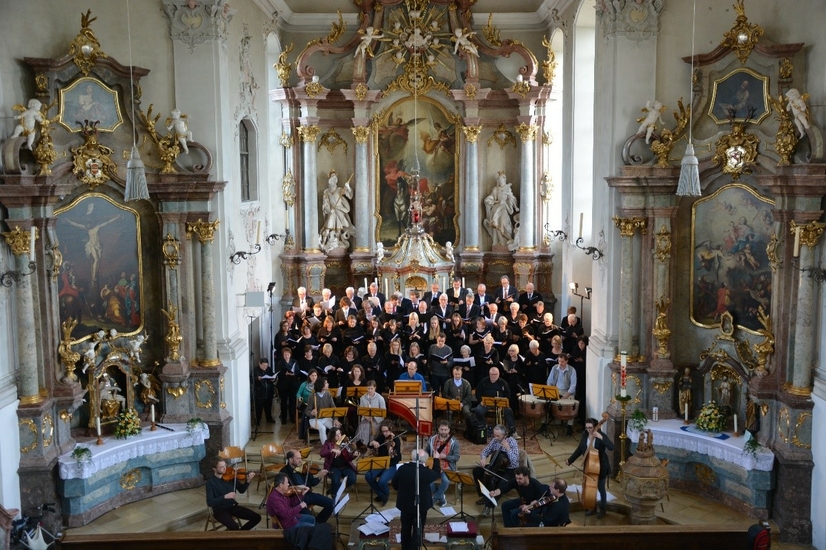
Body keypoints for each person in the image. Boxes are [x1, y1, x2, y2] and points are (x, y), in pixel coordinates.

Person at [392, 449, 441, 550]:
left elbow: (394, 484)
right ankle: (415, 547)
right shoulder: (425, 472)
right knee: (418, 527)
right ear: (425, 460)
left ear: (412, 457)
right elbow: (437, 473)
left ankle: (405, 547)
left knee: (405, 527)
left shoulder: (402, 469)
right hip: (421, 505)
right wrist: (436, 459)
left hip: (405, 504)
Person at [566, 417, 614, 518]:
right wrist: (570, 460)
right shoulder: (585, 436)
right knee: (590, 489)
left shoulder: (601, 435)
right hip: (589, 466)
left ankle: (603, 510)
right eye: (587, 428)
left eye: (591, 427)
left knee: (601, 489)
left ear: (596, 426)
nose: (589, 430)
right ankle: (592, 508)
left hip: (600, 467)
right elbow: (579, 450)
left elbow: (611, 447)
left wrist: (601, 437)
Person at [473, 425, 519, 515]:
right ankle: (484, 495)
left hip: (509, 470)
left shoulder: (512, 442)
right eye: (494, 435)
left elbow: (514, 461)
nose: (495, 437)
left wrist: (508, 449)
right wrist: (483, 458)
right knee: (477, 471)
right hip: (495, 467)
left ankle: (488, 506)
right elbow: (485, 451)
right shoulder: (494, 440)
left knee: (501, 484)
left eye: (498, 436)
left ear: (504, 434)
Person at [206, 458, 260, 530]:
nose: (225, 468)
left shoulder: (231, 477)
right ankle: (237, 535)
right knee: (234, 527)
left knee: (257, 517)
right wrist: (225, 496)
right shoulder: (210, 483)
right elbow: (210, 502)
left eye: (225, 465)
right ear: (214, 469)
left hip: (232, 506)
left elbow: (241, 490)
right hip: (220, 510)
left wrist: (248, 481)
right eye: (221, 467)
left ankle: (239, 534)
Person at [281, 449, 333, 523]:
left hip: (309, 495)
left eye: (301, 458)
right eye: (298, 458)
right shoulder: (284, 473)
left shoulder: (303, 468)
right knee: (310, 518)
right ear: (291, 460)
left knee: (331, 504)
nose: (300, 461)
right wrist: (297, 488)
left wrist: (320, 476)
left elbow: (312, 483)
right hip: (297, 500)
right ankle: (315, 526)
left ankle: (318, 523)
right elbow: (284, 491)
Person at [365, 420, 403, 506]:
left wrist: (391, 451)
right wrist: (372, 442)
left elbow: (397, 458)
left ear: (391, 429)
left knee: (381, 482)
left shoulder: (396, 439)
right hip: (381, 463)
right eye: (383, 431)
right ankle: (382, 495)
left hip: (392, 465)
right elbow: (369, 445)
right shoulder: (381, 437)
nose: (385, 433)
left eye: (386, 431)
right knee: (368, 476)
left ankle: (385, 494)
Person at [426, 421, 459, 507]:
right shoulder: (432, 439)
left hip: (446, 467)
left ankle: (435, 498)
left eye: (445, 429)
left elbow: (456, 457)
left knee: (446, 481)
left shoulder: (454, 442)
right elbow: (426, 451)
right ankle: (441, 497)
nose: (443, 431)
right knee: (428, 481)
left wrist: (444, 457)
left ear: (449, 430)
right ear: (438, 429)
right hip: (434, 466)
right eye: (442, 429)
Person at [320, 426, 359, 499]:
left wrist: (353, 455)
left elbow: (348, 458)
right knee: (335, 480)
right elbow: (322, 453)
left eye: (340, 434)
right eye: (337, 435)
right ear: (332, 436)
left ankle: (334, 489)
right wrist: (332, 450)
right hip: (333, 467)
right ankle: (334, 498)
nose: (339, 436)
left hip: (345, 466)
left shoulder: (344, 443)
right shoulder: (328, 443)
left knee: (352, 479)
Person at [474, 366, 515, 432]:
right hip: (485, 403)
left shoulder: (503, 382)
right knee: (478, 410)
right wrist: (480, 401)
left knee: (509, 411)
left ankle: (512, 430)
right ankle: (483, 427)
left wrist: (503, 403)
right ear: (489, 374)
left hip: (500, 404)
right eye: (492, 374)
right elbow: (478, 392)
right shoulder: (483, 381)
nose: (493, 376)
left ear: (499, 374)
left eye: (495, 374)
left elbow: (508, 394)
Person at [320, 171, 353, 251]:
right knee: (328, 227)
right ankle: (323, 244)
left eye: (335, 180)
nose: (334, 181)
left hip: (339, 211)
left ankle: (338, 242)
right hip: (332, 211)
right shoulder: (326, 192)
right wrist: (328, 210)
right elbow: (325, 204)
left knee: (338, 229)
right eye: (332, 180)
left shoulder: (339, 190)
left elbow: (350, 196)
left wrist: (348, 187)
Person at [484, 174, 519, 248]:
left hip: (504, 208)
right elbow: (491, 197)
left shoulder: (507, 189)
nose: (500, 181)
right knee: (497, 225)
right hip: (496, 208)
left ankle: (507, 242)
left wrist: (513, 204)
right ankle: (499, 243)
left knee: (506, 224)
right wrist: (493, 201)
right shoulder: (495, 189)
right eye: (498, 179)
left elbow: (512, 198)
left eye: (501, 179)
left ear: (504, 179)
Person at [547, 353, 577, 435]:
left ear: (567, 361)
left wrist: (566, 396)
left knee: (572, 404)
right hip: (556, 390)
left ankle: (569, 426)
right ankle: (544, 424)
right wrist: (551, 391)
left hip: (567, 391)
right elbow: (549, 381)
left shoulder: (572, 370)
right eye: (559, 361)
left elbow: (573, 385)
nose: (560, 363)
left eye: (562, 361)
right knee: (544, 401)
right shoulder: (554, 368)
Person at [305, 377, 338, 444]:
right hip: (314, 419)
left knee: (336, 428)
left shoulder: (328, 394)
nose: (328, 384)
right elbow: (307, 411)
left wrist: (335, 419)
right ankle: (326, 446)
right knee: (322, 428)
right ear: (321, 385)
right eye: (326, 383)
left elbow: (333, 408)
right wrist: (312, 412)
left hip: (326, 418)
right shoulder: (312, 396)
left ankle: (336, 444)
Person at [276, 346, 300, 424]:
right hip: (283, 385)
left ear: (290, 354)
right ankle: (283, 418)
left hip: (293, 384)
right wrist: (284, 373)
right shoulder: (280, 362)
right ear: (283, 355)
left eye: (288, 354)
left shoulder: (294, 361)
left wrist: (294, 374)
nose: (286, 356)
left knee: (292, 402)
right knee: (283, 402)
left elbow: (298, 371)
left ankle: (292, 417)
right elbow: (278, 373)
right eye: (285, 354)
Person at [254, 358, 276, 425]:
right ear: (259, 364)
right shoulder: (255, 370)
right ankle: (258, 420)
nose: (265, 367)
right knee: (259, 408)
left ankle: (269, 418)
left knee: (268, 406)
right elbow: (252, 379)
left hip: (269, 391)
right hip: (260, 391)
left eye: (266, 365)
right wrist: (257, 378)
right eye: (263, 365)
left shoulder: (269, 369)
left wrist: (273, 379)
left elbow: (272, 376)